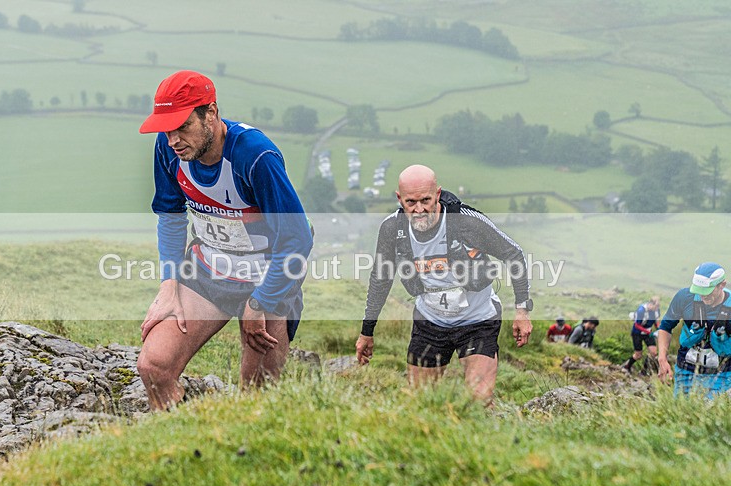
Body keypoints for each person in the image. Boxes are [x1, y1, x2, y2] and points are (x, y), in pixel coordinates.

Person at [136, 70, 313, 410]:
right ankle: (182, 450)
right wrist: (168, 284)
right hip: (209, 269)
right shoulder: (169, 148)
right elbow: (171, 216)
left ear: (211, 114)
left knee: (256, 397)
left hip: (268, 275)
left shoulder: (255, 157)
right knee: (153, 367)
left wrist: (261, 301)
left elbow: (296, 240)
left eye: (183, 125)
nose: (173, 139)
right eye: (166, 128)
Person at [355, 164, 533, 405]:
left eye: (426, 200)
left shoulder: (465, 222)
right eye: (410, 202)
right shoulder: (392, 228)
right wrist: (367, 331)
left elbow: (514, 254)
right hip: (430, 322)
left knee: (478, 400)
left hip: (477, 319)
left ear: (437, 194)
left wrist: (522, 310)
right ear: (399, 199)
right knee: (421, 403)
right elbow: (380, 278)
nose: (419, 210)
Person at [657, 262, 731, 398]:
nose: (703, 296)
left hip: (723, 374)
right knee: (682, 414)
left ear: (722, 285)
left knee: (712, 415)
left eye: (707, 291)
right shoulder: (685, 298)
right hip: (686, 370)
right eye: (699, 291)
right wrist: (662, 358)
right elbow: (665, 328)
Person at [620, 296, 660, 374]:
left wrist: (659, 329)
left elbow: (656, 321)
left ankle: (643, 371)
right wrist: (648, 332)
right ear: (651, 304)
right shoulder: (641, 310)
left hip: (648, 332)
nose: (657, 308)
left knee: (653, 353)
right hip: (637, 333)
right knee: (638, 355)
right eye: (656, 306)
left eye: (658, 306)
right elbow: (637, 325)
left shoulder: (656, 310)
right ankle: (627, 367)